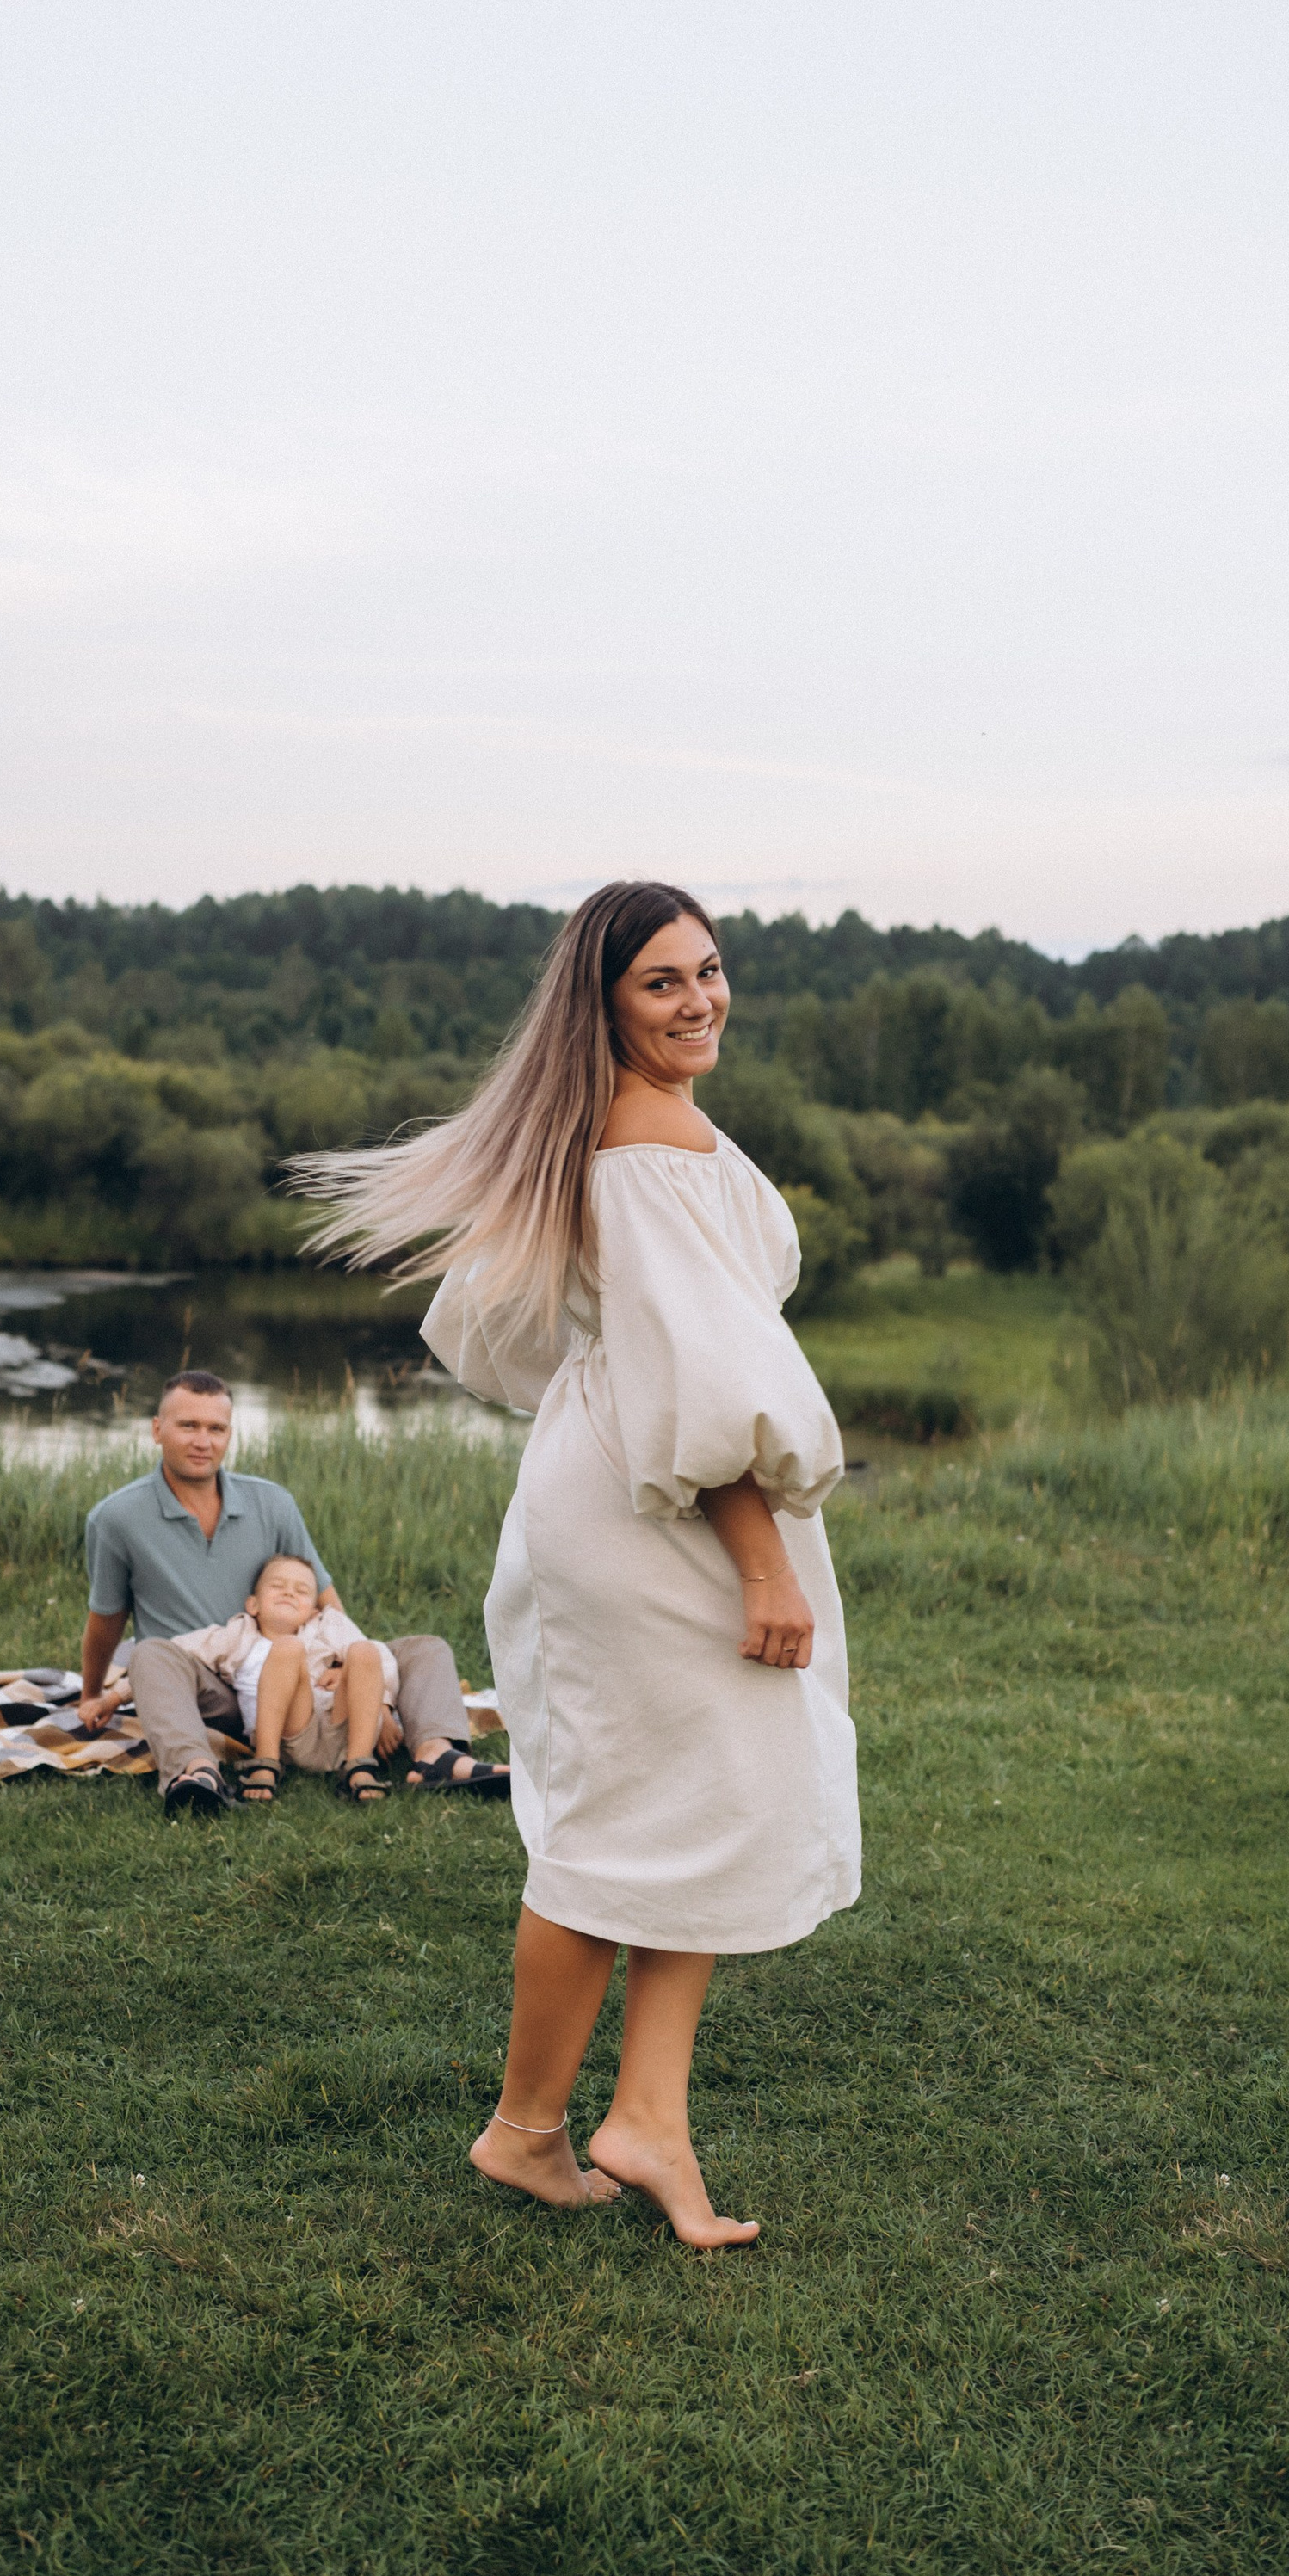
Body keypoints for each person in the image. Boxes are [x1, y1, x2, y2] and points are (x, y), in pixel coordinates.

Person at [294, 881, 860, 2248]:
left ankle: (645, 2123)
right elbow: (700, 1379)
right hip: (674, 1512)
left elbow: (559, 1340)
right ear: (603, 1004)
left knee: (707, 1792)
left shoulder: (602, 1130)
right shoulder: (643, 1144)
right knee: (629, 1812)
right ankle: (526, 2131)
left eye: (712, 971)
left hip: (624, 1483)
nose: (701, 999)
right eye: (663, 982)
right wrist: (765, 1565)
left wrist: (601, 1399)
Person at [79, 1370, 509, 1816]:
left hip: (300, 1673)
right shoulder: (116, 1519)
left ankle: (437, 1756)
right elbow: (105, 1619)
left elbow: (324, 1599)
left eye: (216, 1428)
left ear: (229, 1434)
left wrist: (362, 1684)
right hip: (207, 1683)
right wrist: (92, 1692)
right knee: (150, 1653)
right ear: (157, 1429)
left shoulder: (272, 1503)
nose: (202, 1441)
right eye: (188, 1426)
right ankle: (196, 1772)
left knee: (425, 1650)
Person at [157, 1552, 404, 1807]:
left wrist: (368, 1694)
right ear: (253, 1605)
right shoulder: (238, 1636)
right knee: (288, 1647)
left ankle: (359, 1765)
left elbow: (380, 1657)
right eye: (277, 1586)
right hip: (290, 1734)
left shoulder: (325, 1626)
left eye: (302, 1591)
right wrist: (121, 1692)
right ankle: (266, 1762)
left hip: (342, 1729)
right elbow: (171, 1655)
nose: (288, 1593)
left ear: (312, 1611)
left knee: (365, 1651)